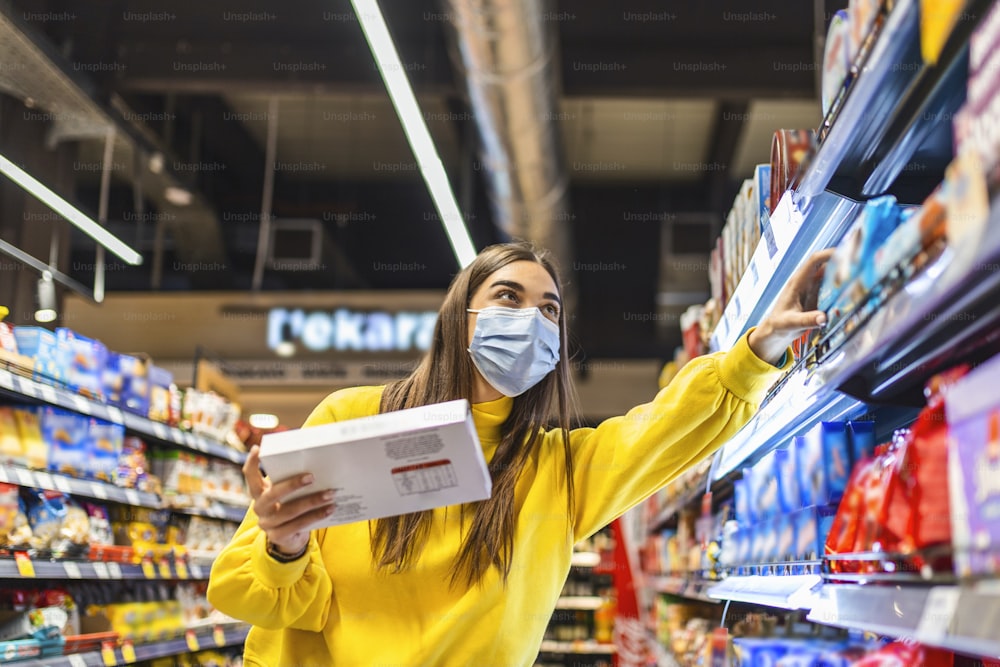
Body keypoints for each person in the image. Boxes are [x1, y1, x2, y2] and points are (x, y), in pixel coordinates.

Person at [208, 241, 832, 666]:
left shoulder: (556, 471)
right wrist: (283, 548)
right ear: (461, 314)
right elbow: (246, 594)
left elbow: (663, 428)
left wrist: (758, 351)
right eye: (508, 296)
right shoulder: (354, 418)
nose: (531, 319)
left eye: (549, 309)